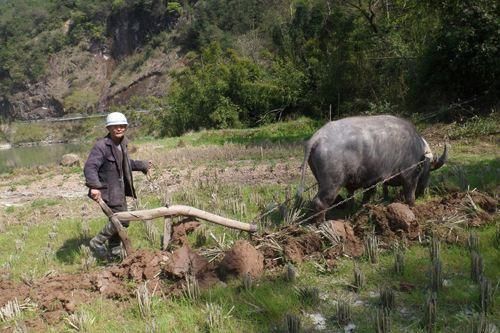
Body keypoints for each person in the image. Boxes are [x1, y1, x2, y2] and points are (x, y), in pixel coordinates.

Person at [84, 112, 150, 258]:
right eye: (115, 126)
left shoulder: (122, 144)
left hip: (119, 189)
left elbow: (125, 164)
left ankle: (114, 250)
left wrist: (142, 165)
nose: (119, 129)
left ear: (125, 127)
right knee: (122, 219)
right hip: (107, 190)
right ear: (109, 128)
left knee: (119, 219)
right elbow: (90, 167)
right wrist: (94, 186)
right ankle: (97, 242)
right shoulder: (101, 146)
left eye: (122, 126)